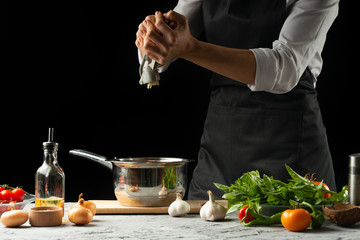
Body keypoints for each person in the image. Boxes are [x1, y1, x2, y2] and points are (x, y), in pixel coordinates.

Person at [135, 0, 339, 200]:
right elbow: (172, 39)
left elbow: (285, 68)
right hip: (220, 149)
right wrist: (154, 39)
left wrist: (190, 48)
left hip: (290, 150)